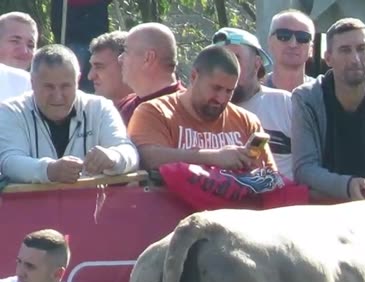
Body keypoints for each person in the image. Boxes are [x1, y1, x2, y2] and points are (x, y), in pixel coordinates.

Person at [292, 18, 365, 200]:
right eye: (345, 50)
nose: (355, 59)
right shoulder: (306, 98)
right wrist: (348, 185)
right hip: (322, 209)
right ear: (328, 58)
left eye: (362, 49)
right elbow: (304, 169)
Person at [0, 45, 138, 184]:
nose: (58, 96)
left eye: (65, 86)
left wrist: (113, 157)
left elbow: (129, 151)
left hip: (89, 205)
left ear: (77, 81)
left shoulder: (99, 108)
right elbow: (9, 162)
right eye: (49, 87)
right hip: (30, 205)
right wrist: (49, 170)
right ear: (32, 82)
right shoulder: (11, 111)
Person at [128, 44, 276, 173]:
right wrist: (213, 158)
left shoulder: (246, 121)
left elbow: (271, 176)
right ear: (194, 76)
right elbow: (146, 158)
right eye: (216, 88)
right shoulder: (154, 112)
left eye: (229, 91)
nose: (221, 98)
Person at [212, 27, 295, 180]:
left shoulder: (285, 104)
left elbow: (310, 164)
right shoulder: (205, 109)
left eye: (236, 59)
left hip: (281, 199)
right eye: (221, 61)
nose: (227, 69)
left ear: (257, 64)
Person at [117, 23, 182, 125]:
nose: (120, 58)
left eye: (126, 51)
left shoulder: (187, 110)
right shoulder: (124, 106)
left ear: (148, 58)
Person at [264, 10, 315, 91]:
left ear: (311, 48)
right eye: (283, 35)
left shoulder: (322, 94)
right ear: (270, 42)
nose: (293, 44)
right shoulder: (251, 92)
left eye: (303, 37)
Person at [87, 31, 130, 106]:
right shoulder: (89, 113)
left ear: (125, 65)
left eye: (99, 67)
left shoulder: (154, 112)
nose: (90, 76)